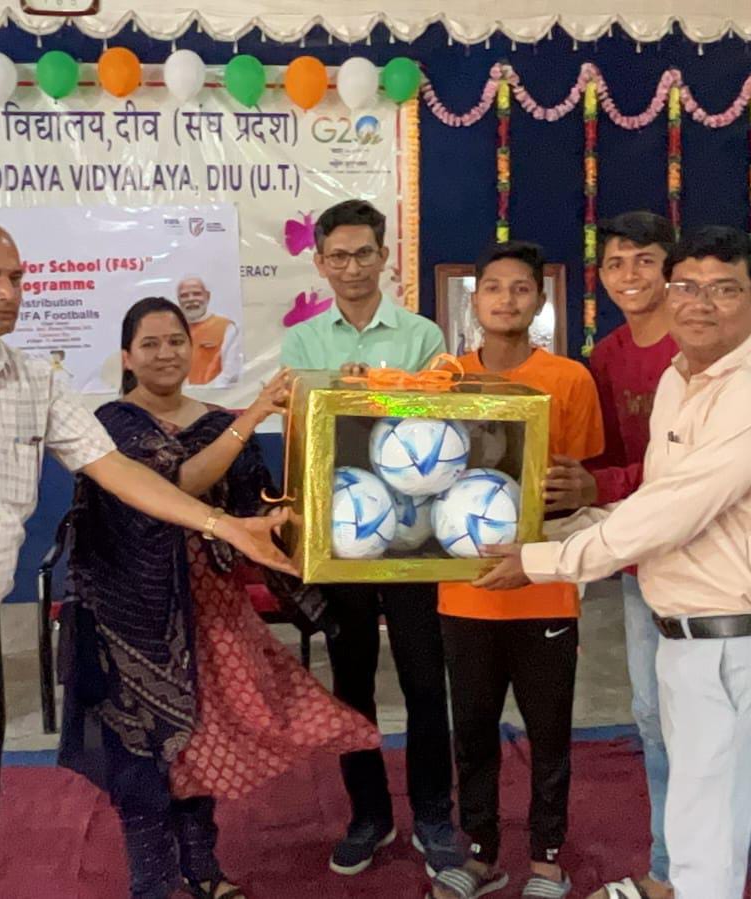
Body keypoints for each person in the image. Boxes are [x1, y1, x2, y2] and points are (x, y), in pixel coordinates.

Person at [0, 219, 294, 899]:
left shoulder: (31, 379)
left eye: (15, 278)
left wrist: (224, 525)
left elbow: (116, 469)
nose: (7, 292)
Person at [476, 226, 751, 899]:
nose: (700, 304)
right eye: (687, 287)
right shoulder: (677, 379)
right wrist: (549, 529)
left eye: (723, 290)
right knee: (692, 824)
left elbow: (672, 512)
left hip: (737, 640)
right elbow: (653, 496)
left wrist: (543, 559)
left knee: (711, 838)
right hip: (685, 632)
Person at [60, 297, 381, 899]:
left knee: (201, 744)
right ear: (126, 357)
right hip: (134, 613)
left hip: (210, 607)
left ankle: (203, 870)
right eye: (150, 344)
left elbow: (256, 501)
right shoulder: (112, 424)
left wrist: (306, 523)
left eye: (176, 341)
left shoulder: (214, 421)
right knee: (143, 749)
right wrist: (252, 414)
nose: (166, 354)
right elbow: (176, 484)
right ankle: (152, 883)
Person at [280, 200, 460, 878]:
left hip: (413, 535)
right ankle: (369, 814)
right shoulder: (302, 342)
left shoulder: (421, 335)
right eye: (339, 256)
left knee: (424, 678)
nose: (352, 267)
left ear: (385, 257)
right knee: (350, 682)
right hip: (341, 537)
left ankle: (434, 813)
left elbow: (439, 425)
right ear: (320, 262)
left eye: (363, 254)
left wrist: (373, 397)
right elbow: (305, 432)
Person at [429, 242, 603, 899]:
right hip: (464, 589)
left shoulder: (569, 379)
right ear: (474, 301)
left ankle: (547, 860)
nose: (506, 299)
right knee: (472, 731)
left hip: (544, 588)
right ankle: (479, 854)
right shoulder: (441, 379)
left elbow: (575, 484)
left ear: (539, 300)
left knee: (549, 732)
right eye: (494, 288)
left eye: (520, 288)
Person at [543, 211, 678, 899]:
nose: (630, 275)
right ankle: (670, 864)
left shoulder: (697, 346)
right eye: (616, 263)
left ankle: (685, 867)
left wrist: (603, 486)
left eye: (644, 260)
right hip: (637, 557)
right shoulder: (605, 357)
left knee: (701, 717)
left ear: (671, 269)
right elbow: (594, 461)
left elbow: (697, 467)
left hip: (707, 558)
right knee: (651, 712)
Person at [177, 276, 242, 387]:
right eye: (184, 295)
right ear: (179, 300)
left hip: (217, 393)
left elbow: (231, 373)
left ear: (207, 296)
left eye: (196, 294)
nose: (190, 299)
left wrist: (203, 392)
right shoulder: (172, 328)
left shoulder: (227, 327)